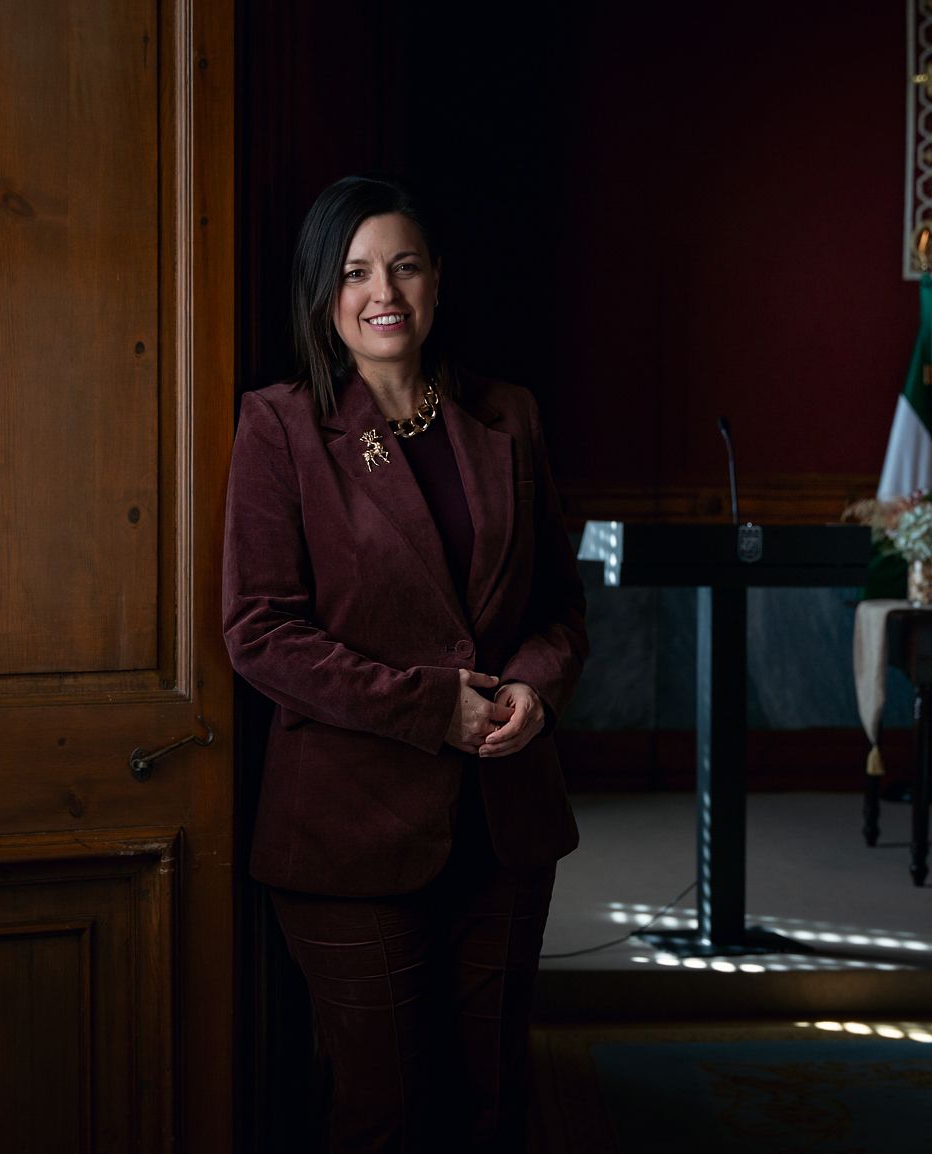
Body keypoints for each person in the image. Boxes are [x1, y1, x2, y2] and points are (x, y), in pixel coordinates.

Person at [222, 174, 588, 1153]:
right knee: (386, 1113)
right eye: (354, 271)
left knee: (491, 1101)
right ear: (323, 294)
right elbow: (259, 629)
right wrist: (434, 709)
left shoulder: (508, 416)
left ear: (435, 282)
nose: (382, 289)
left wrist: (534, 691)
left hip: (504, 823)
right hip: (349, 832)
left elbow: (559, 606)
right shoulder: (282, 425)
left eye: (404, 264)